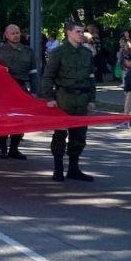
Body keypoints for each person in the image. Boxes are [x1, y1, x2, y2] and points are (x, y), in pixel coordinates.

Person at [40, 21, 96, 182]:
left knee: (79, 135)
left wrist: (92, 99)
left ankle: (73, 169)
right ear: (68, 33)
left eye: (82, 31)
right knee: (60, 134)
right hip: (64, 97)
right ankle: (58, 169)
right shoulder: (58, 53)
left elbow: (91, 78)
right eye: (78, 31)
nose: (81, 34)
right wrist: (50, 98)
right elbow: (48, 77)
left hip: (82, 98)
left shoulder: (87, 53)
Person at [0, 24, 37, 159]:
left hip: (21, 88)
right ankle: (3, 149)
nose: (16, 35)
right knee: (3, 119)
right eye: (12, 33)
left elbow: (33, 73)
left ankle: (14, 149)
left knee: (19, 119)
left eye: (17, 33)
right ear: (6, 35)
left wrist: (35, 91)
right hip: (3, 90)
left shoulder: (28, 51)